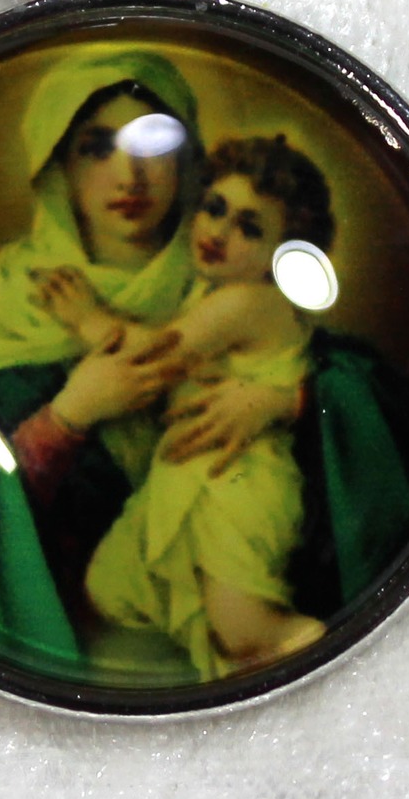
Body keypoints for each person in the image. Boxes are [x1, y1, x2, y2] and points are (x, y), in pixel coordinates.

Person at [0, 47, 297, 672]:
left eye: (154, 143)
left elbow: (351, 396)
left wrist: (280, 401)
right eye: (97, 148)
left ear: (188, 161)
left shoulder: (233, 278)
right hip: (68, 647)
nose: (130, 175)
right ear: (59, 168)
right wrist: (68, 417)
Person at [34, 135, 337, 677]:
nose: (218, 233)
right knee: (111, 587)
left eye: (249, 228)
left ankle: (326, 660)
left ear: (284, 256)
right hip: (193, 472)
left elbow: (158, 359)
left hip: (238, 481)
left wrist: (88, 319)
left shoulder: (247, 302)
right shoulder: (213, 292)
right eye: (215, 209)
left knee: (242, 630)